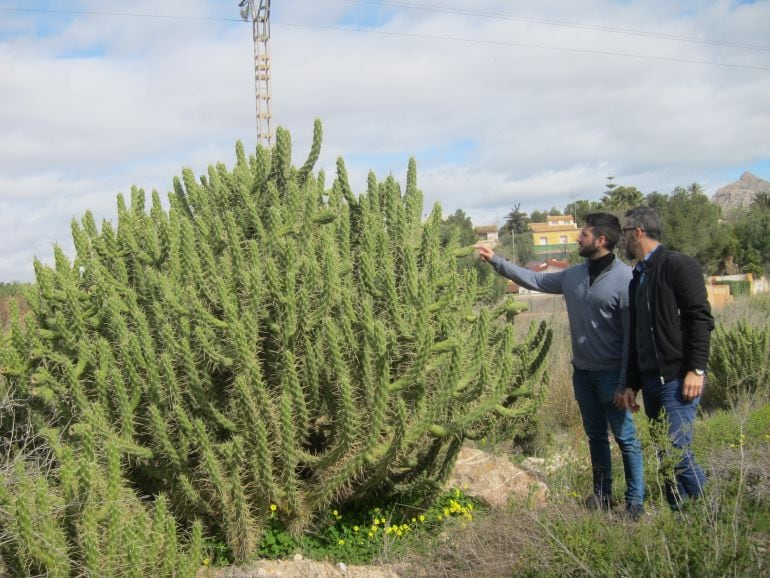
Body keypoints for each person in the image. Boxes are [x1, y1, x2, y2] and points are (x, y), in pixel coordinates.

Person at [475, 213, 644, 519]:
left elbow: (633, 337)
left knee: (626, 438)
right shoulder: (573, 276)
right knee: (595, 436)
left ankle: (635, 502)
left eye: (584, 234)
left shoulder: (626, 279)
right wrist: (496, 261)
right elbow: (535, 279)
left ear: (601, 241)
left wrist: (626, 383)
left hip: (612, 377)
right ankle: (602, 495)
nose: (578, 238)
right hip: (583, 373)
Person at [619, 206, 714, 511]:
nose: (622, 239)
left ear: (638, 232)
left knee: (678, 453)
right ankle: (681, 524)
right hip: (650, 381)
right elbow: (637, 335)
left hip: (677, 379)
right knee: (664, 457)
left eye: (624, 232)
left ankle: (711, 520)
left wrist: (696, 369)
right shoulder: (638, 278)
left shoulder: (678, 265)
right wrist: (632, 383)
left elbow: (699, 318)